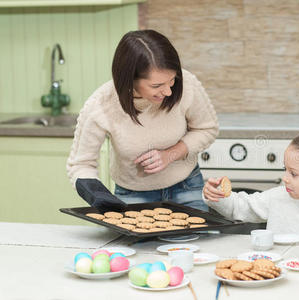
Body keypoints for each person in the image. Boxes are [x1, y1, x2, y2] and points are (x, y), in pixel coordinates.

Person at [67, 30, 219, 211]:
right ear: (129, 78)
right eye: (157, 86)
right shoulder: (102, 105)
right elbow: (81, 164)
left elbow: (207, 129)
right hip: (133, 196)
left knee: (200, 239)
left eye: (172, 80)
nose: (169, 92)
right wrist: (98, 195)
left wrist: (171, 154)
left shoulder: (187, 84)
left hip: (188, 187)